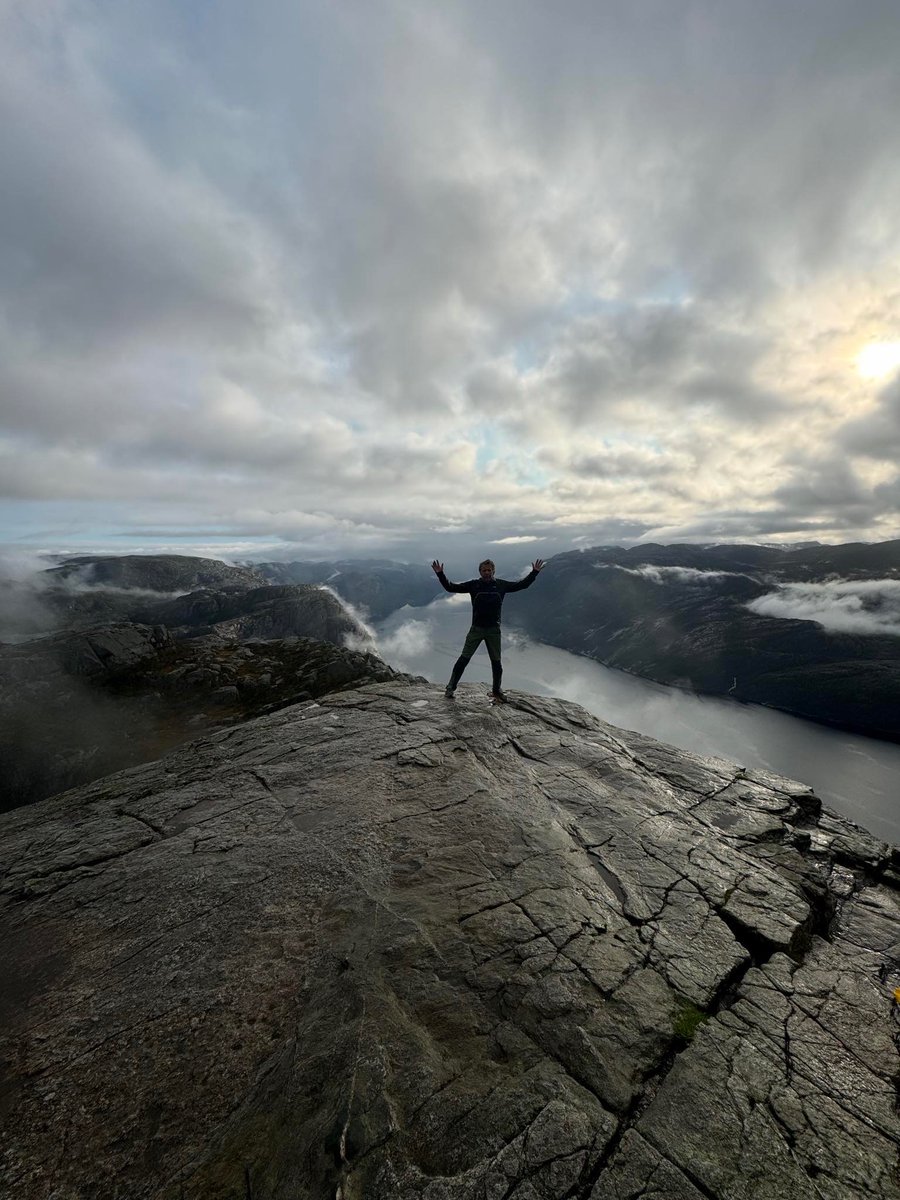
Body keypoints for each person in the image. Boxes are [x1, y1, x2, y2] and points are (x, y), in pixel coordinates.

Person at [431, 557, 545, 701]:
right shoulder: (473, 585)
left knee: (496, 663)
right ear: (480, 572)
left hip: (493, 630)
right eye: (484, 570)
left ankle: (496, 691)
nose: (486, 572)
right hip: (476, 630)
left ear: (493, 571)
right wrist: (440, 574)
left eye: (489, 570)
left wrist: (534, 572)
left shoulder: (501, 585)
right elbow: (451, 587)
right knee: (463, 660)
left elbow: (522, 585)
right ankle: (450, 688)